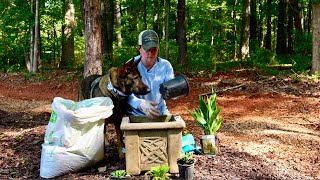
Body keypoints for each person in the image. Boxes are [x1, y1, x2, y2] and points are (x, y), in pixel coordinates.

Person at [127, 30, 174, 118]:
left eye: (154, 49)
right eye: (147, 49)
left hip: (159, 112)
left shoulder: (165, 66)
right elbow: (125, 94)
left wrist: (173, 91)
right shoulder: (130, 66)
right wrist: (141, 104)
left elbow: (171, 91)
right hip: (135, 114)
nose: (151, 53)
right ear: (139, 48)